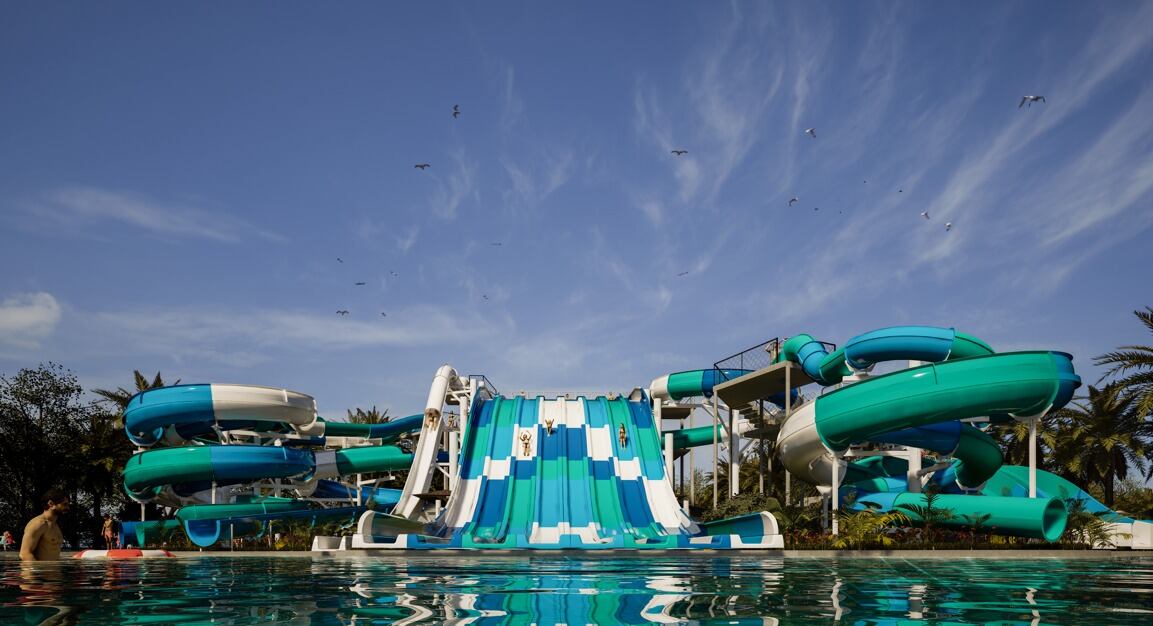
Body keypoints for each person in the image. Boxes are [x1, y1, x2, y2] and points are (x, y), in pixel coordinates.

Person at [21, 488, 70, 561]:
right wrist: (38, 571)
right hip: (41, 571)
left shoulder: (55, 525)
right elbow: (25, 554)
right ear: (51, 504)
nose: (68, 508)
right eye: (64, 504)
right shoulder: (38, 524)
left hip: (53, 571)